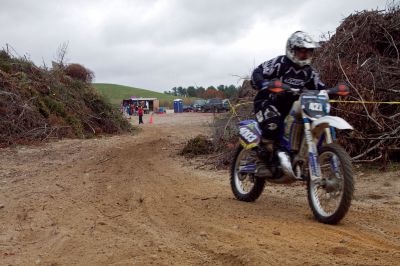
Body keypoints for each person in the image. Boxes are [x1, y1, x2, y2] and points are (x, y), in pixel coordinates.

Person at [251, 31, 326, 175]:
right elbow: (258, 71)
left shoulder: (309, 72)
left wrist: (333, 90)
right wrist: (263, 83)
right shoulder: (280, 63)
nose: (304, 55)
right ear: (292, 50)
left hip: (290, 106)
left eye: (308, 52)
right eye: (301, 51)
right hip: (267, 101)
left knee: (307, 122)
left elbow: (320, 86)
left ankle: (295, 156)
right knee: (273, 124)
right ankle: (261, 163)